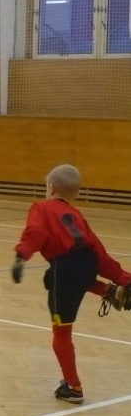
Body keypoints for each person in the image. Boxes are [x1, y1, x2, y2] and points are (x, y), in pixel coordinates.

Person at [12, 164, 131, 403]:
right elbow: (98, 253)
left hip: (65, 271)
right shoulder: (77, 215)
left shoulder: (41, 207)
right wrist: (126, 279)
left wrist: (21, 256)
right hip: (86, 264)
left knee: (62, 333)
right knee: (57, 277)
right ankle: (110, 290)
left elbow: (35, 232)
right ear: (75, 193)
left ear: (50, 187)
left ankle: (73, 387)